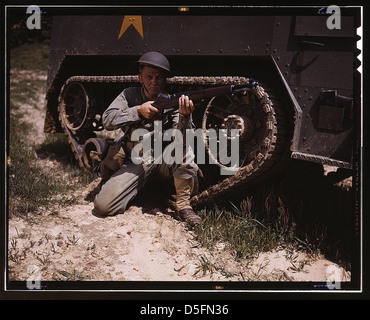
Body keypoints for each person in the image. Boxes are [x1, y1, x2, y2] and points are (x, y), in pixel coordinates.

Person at [93, 51, 202, 226]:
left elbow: (184, 138)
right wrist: (137, 111)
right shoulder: (128, 95)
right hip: (134, 161)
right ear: (140, 78)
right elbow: (107, 120)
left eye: (159, 78)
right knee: (102, 206)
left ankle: (184, 206)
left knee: (183, 148)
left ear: (165, 80)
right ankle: (133, 187)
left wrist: (185, 117)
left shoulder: (171, 102)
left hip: (160, 160)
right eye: (149, 77)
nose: (154, 82)